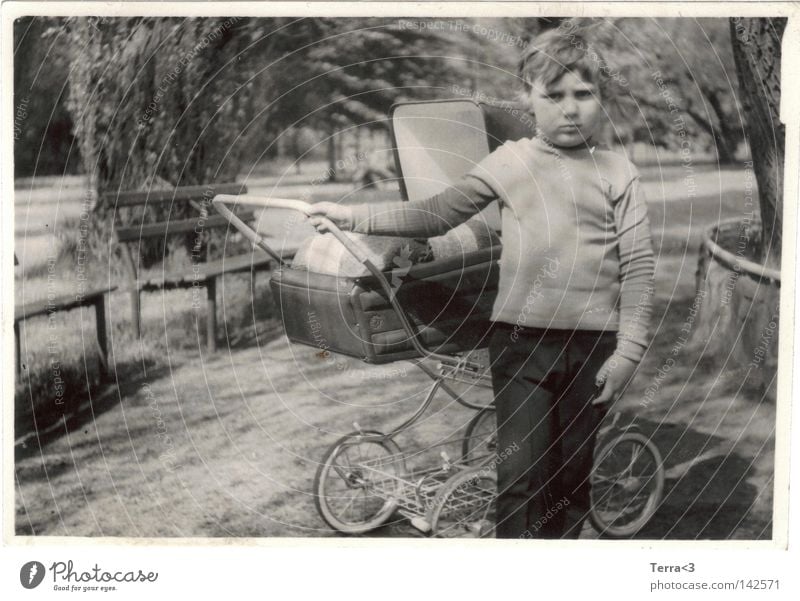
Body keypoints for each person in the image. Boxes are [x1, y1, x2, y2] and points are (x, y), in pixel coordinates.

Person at [308, 28, 655, 539]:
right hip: (520, 344)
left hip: (593, 347)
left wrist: (628, 353)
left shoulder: (618, 171)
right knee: (519, 477)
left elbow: (640, 267)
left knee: (570, 476)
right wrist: (351, 217)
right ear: (527, 98)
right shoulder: (511, 162)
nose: (569, 109)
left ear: (602, 99)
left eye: (584, 94)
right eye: (552, 95)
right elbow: (435, 214)